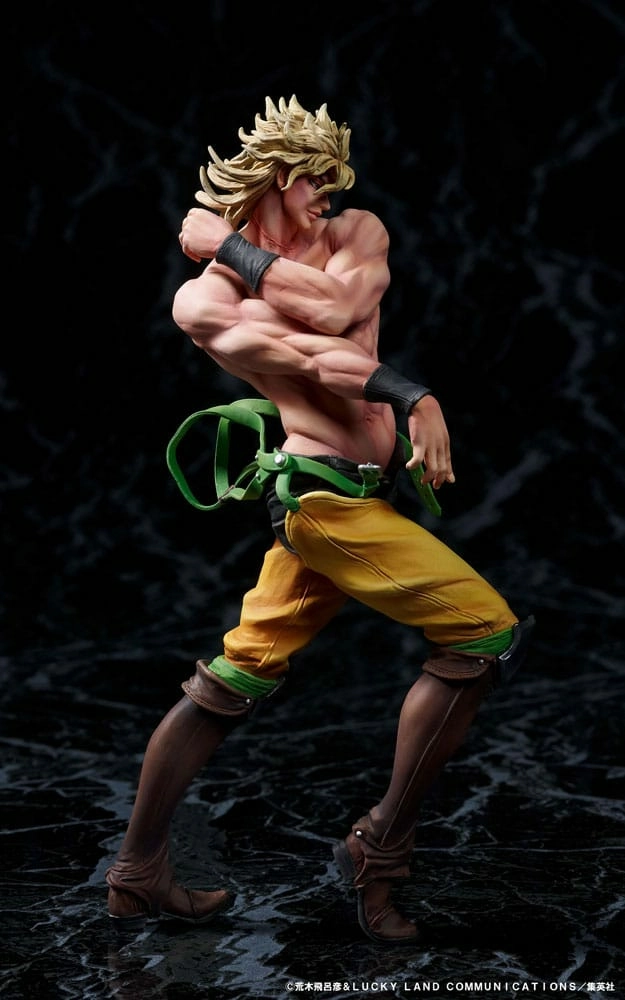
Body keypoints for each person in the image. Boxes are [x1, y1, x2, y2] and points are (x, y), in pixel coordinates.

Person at [105, 95, 533, 945]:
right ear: (274, 177)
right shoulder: (206, 299)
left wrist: (231, 242)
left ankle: (136, 872)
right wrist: (409, 394)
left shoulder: (354, 233)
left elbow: (338, 310)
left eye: (335, 184)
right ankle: (379, 847)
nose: (330, 199)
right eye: (315, 184)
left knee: (236, 674)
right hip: (320, 498)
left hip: (362, 493)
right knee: (483, 633)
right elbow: (312, 347)